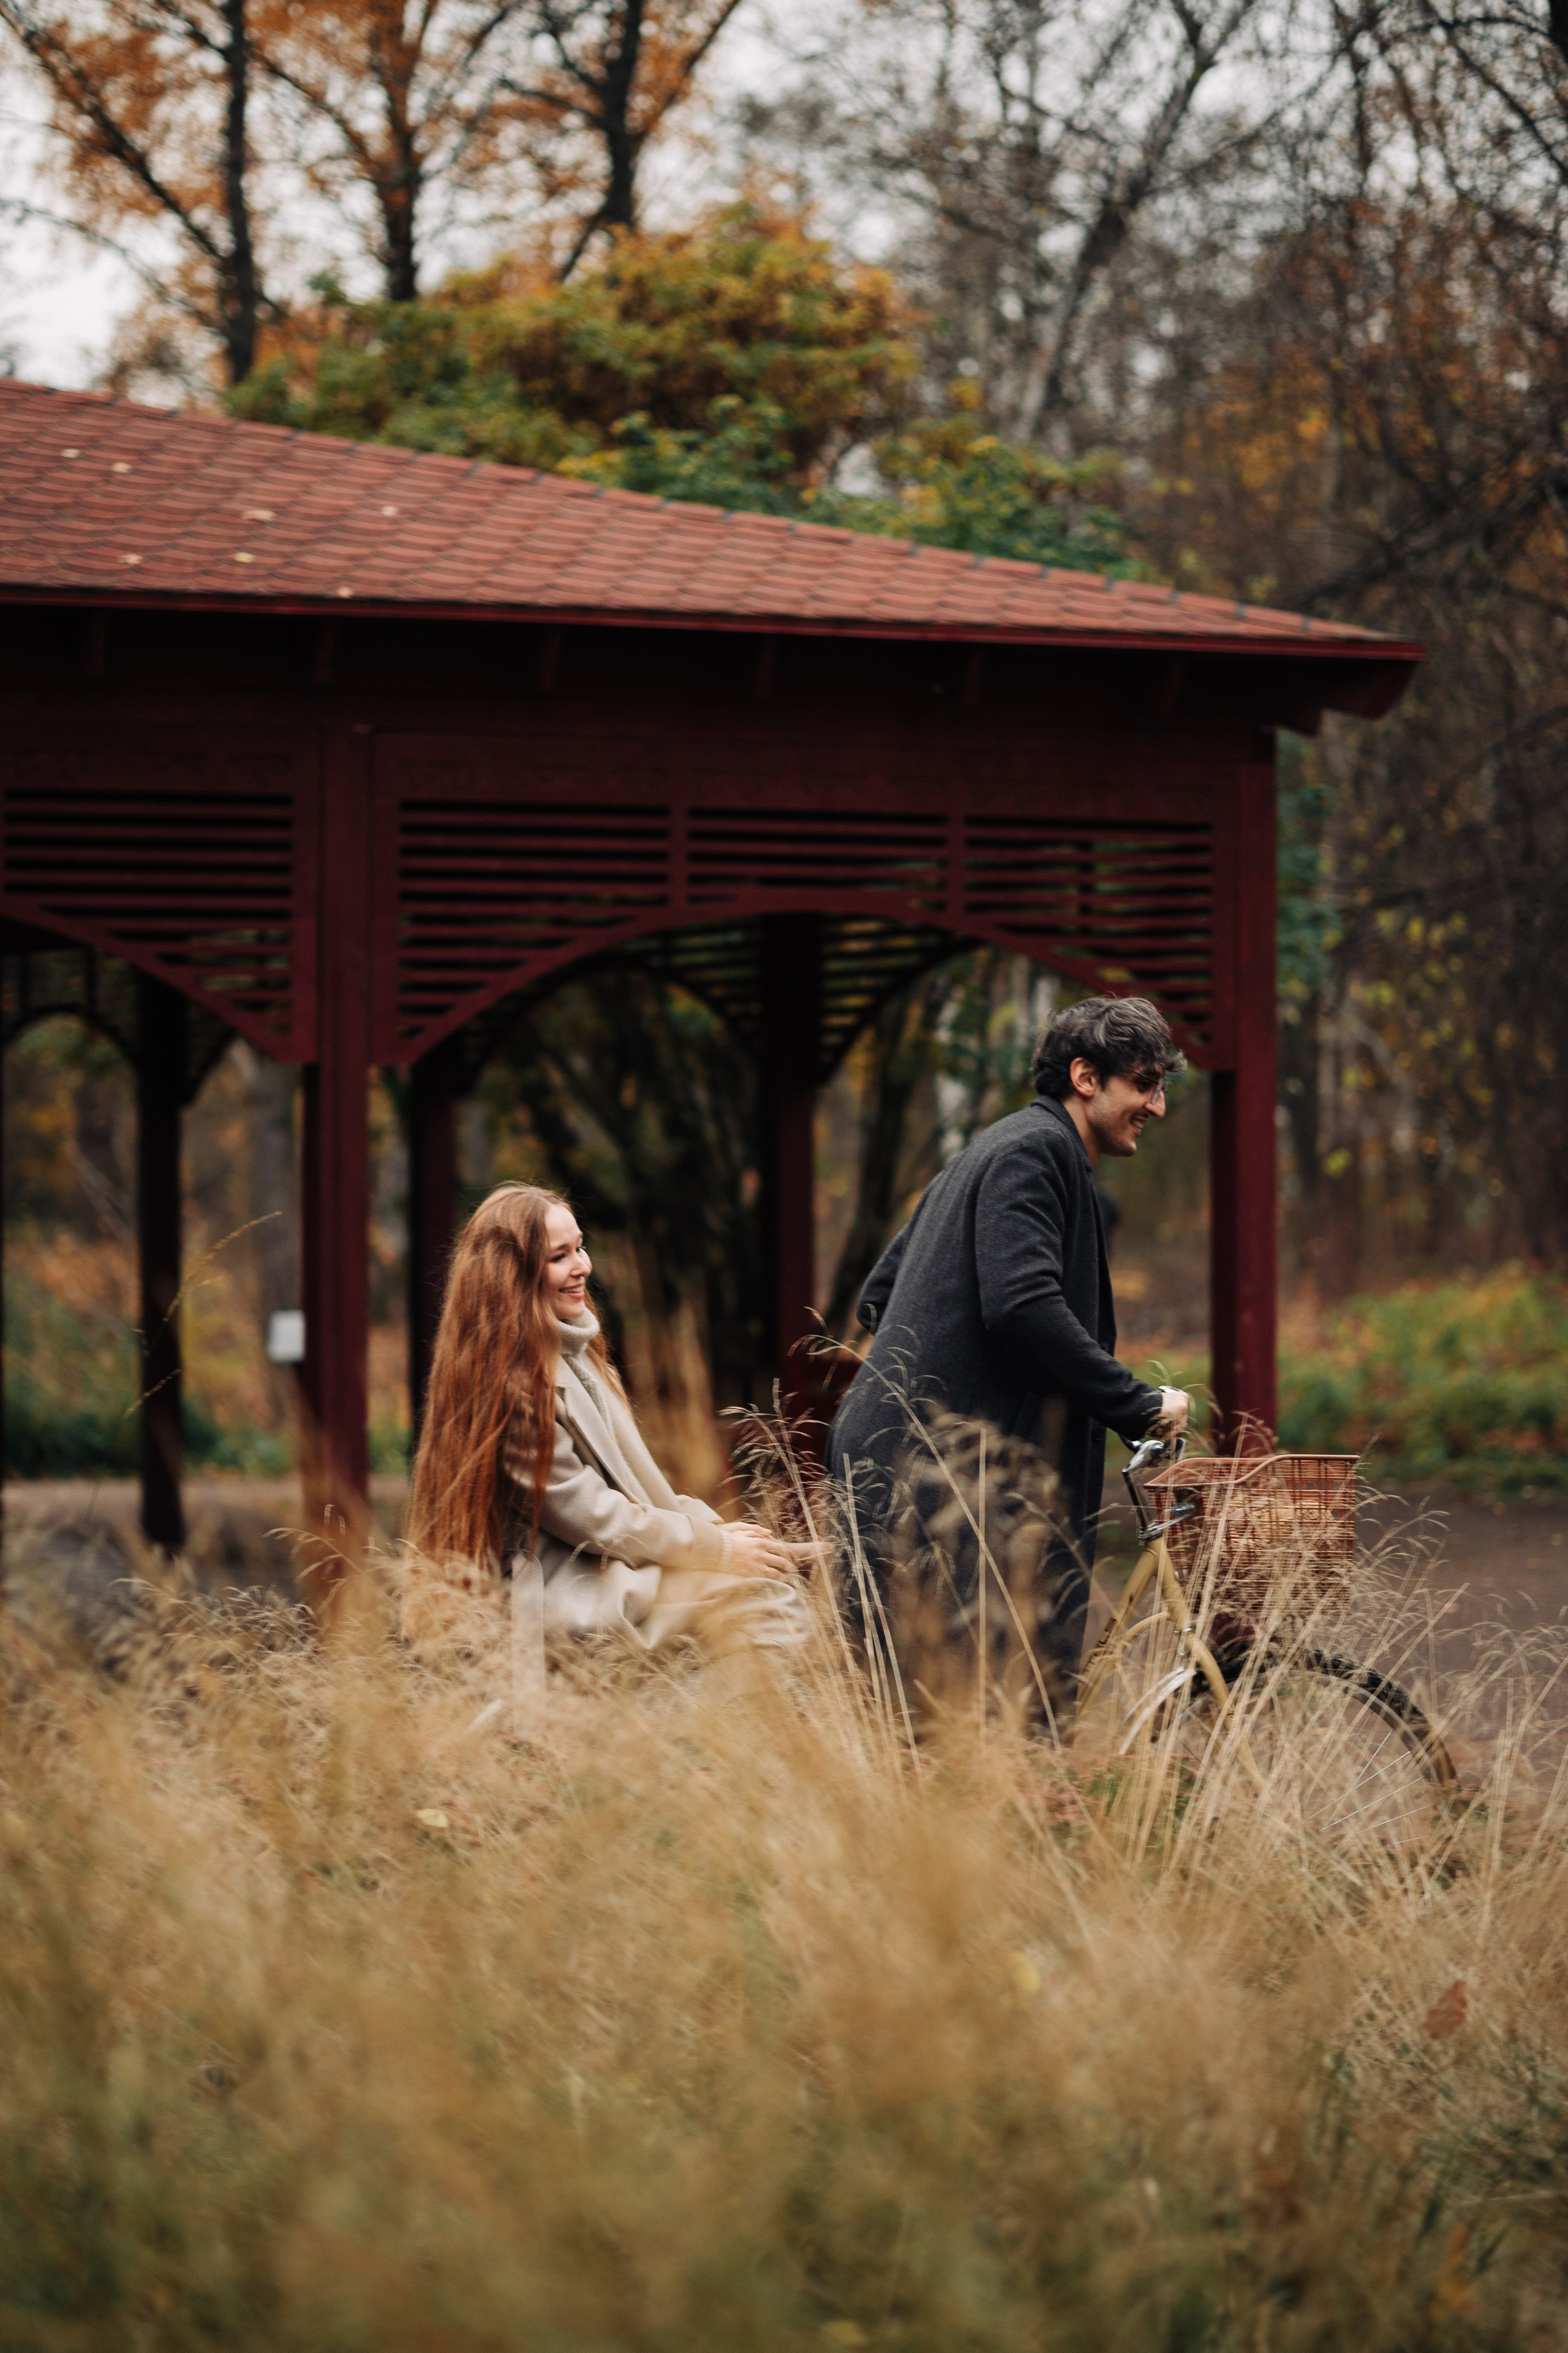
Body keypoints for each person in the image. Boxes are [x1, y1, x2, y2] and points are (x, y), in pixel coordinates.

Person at [826, 995, 1191, 1705]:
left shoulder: (998, 1149)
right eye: (1145, 1084)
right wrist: (1138, 1403)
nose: (1159, 1105)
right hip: (936, 1487)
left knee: (948, 1719)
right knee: (978, 1717)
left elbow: (880, 1295)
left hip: (917, 1468)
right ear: (1086, 1078)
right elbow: (1021, 1304)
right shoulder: (1036, 1152)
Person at [406, 1183, 809, 1678]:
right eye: (560, 1256)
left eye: (580, 1246)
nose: (583, 1266)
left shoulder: (581, 1360)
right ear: (512, 1276)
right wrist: (717, 1549)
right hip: (571, 1589)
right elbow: (599, 1519)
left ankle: (715, 1736)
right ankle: (696, 1744)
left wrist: (720, 1533)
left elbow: (637, 1490)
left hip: (615, 1565)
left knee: (780, 1586)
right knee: (766, 1603)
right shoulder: (513, 1389)